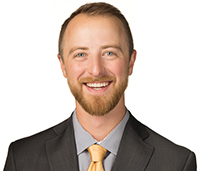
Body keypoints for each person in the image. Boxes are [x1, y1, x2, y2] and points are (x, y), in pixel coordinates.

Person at [4, 2, 197, 171]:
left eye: (109, 53)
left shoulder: (176, 163)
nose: (96, 70)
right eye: (80, 54)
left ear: (131, 62)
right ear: (63, 65)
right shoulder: (21, 159)